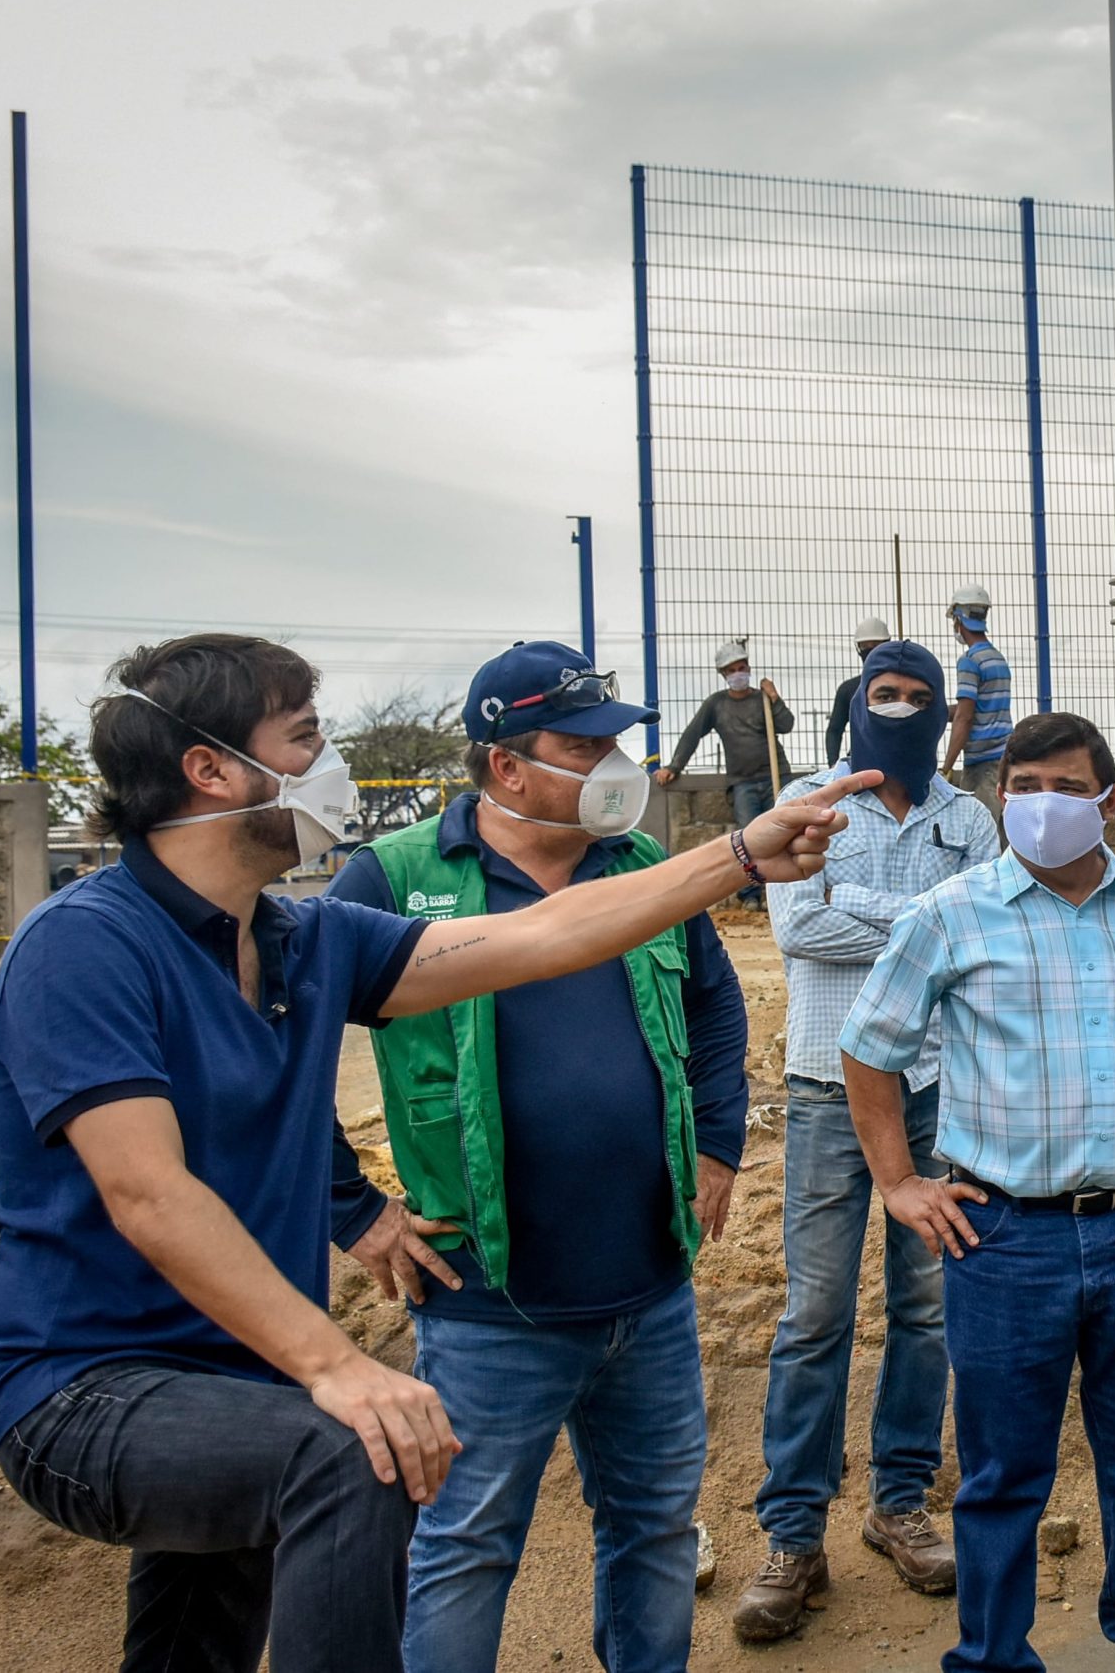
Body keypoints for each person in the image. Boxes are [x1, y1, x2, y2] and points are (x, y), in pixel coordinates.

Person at [0, 632, 867, 1673]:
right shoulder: (88, 943)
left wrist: (741, 855)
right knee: (355, 1459)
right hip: (89, 1386)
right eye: (304, 738)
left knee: (192, 1647)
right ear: (210, 769)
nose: (332, 763)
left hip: (234, 1381)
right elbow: (146, 1192)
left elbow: (546, 936)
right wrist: (339, 1363)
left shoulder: (305, 942)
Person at [322, 641, 748, 1673]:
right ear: (506, 764)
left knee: (651, 1528)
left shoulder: (644, 868)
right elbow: (269, 1050)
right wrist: (352, 1208)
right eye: (583, 743)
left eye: (618, 741)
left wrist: (720, 1141)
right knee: (467, 1547)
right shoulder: (396, 875)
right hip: (485, 1302)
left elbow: (714, 1004)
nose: (616, 765)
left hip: (648, 1289)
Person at [840, 712, 1115, 1673]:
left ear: (1108, 800)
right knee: (1001, 1473)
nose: (1044, 806)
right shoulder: (951, 913)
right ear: (999, 796)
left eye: (1068, 788)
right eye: (1024, 787)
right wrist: (897, 1182)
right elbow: (869, 1052)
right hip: (1002, 1237)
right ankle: (991, 1655)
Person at [735, 640, 1000, 1640]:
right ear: (855, 704)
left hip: (937, 1087)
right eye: (880, 694)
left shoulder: (966, 816)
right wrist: (923, 919)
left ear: (939, 714)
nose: (896, 708)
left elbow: (978, 937)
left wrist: (866, 906)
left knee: (926, 1309)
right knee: (814, 1313)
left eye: (915, 697)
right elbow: (800, 930)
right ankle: (792, 1534)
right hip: (823, 1086)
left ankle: (901, 1504)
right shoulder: (804, 802)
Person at [657, 638, 797, 907]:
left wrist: (775, 698)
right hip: (743, 783)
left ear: (749, 668)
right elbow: (692, 735)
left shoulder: (762, 699)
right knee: (748, 841)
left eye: (741, 668)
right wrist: (674, 766)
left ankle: (785, 896)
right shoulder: (717, 704)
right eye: (731, 670)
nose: (737, 674)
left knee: (785, 836)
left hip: (776, 777)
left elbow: (786, 725)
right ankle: (751, 896)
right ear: (723, 674)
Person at [937, 585, 1011, 817]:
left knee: (981, 836)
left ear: (959, 619)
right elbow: (979, 707)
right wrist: (938, 710)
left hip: (980, 766)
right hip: (1004, 759)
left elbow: (965, 716)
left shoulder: (969, 661)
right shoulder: (997, 659)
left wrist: (947, 767)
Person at [824, 616, 893, 768]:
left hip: (899, 758)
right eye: (865, 646)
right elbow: (834, 730)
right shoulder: (849, 690)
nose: (870, 651)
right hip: (860, 763)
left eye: (875, 646)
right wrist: (833, 766)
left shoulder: (904, 686)